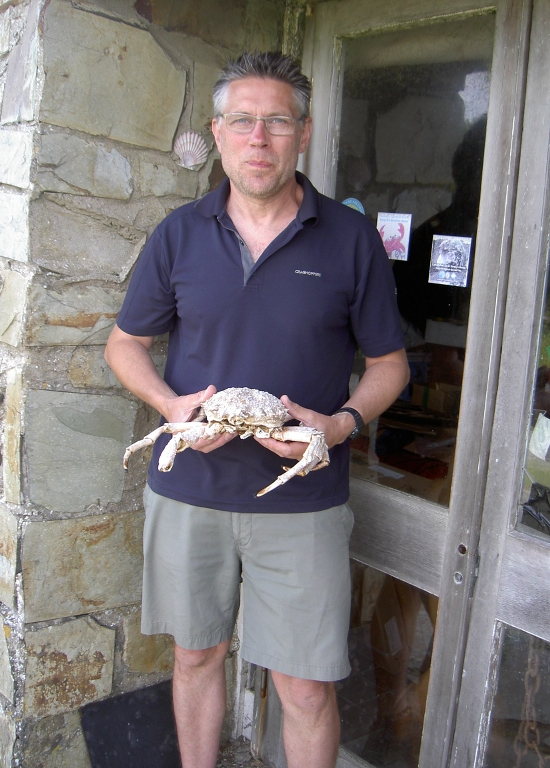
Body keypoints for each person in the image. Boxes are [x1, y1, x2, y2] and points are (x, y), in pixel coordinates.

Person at [104, 51, 409, 768]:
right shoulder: (179, 233)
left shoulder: (350, 239)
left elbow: (390, 365)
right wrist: (170, 405)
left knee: (305, 687)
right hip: (190, 492)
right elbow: (124, 345)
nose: (259, 138)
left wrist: (341, 425)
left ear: (304, 132)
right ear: (217, 132)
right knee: (196, 656)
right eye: (242, 121)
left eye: (277, 121)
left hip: (303, 501)